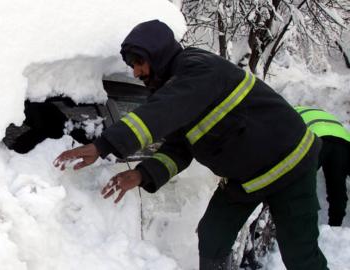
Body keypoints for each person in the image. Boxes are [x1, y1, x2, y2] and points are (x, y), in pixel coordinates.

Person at [54, 20, 328, 269]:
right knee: (212, 237)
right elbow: (179, 149)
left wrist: (103, 146)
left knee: (300, 256)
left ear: (158, 54)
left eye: (139, 62)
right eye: (131, 66)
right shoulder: (174, 90)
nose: (136, 72)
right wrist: (141, 174)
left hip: (290, 165)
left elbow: (166, 109)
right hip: (246, 181)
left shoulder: (199, 67)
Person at [295, 106, 350, 226]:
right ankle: (335, 226)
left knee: (303, 184)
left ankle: (304, 225)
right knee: (337, 188)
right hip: (342, 143)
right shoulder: (321, 112)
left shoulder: (288, 113)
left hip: (316, 140)